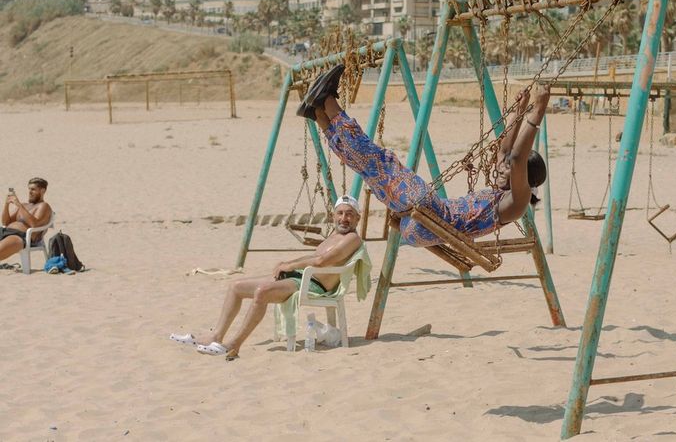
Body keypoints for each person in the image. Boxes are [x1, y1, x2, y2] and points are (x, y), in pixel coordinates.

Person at [296, 64, 548, 247]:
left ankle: (327, 99)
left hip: (432, 217)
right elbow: (506, 152)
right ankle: (318, 114)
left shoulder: (517, 201)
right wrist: (519, 110)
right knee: (367, 169)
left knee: (378, 161)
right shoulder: (506, 192)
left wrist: (537, 113)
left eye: (511, 170)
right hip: (421, 222)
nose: (502, 168)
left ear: (526, 178)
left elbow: (515, 158)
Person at [171, 195, 364, 357]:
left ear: (357, 219)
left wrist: (290, 264)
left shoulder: (352, 239)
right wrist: (287, 266)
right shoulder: (334, 235)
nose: (344, 218)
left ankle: (234, 345)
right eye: (340, 213)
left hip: (313, 285)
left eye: (349, 214)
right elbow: (315, 257)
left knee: (261, 292)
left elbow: (322, 261)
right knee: (235, 286)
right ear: (333, 216)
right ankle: (216, 336)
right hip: (300, 277)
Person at [1, 178, 52, 261]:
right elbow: (5, 223)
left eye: (33, 189)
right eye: (29, 189)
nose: (29, 192)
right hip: (4, 231)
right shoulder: (24, 205)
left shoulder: (43, 206)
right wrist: (6, 204)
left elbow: (34, 224)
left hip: (20, 236)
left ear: (42, 191)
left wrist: (19, 205)